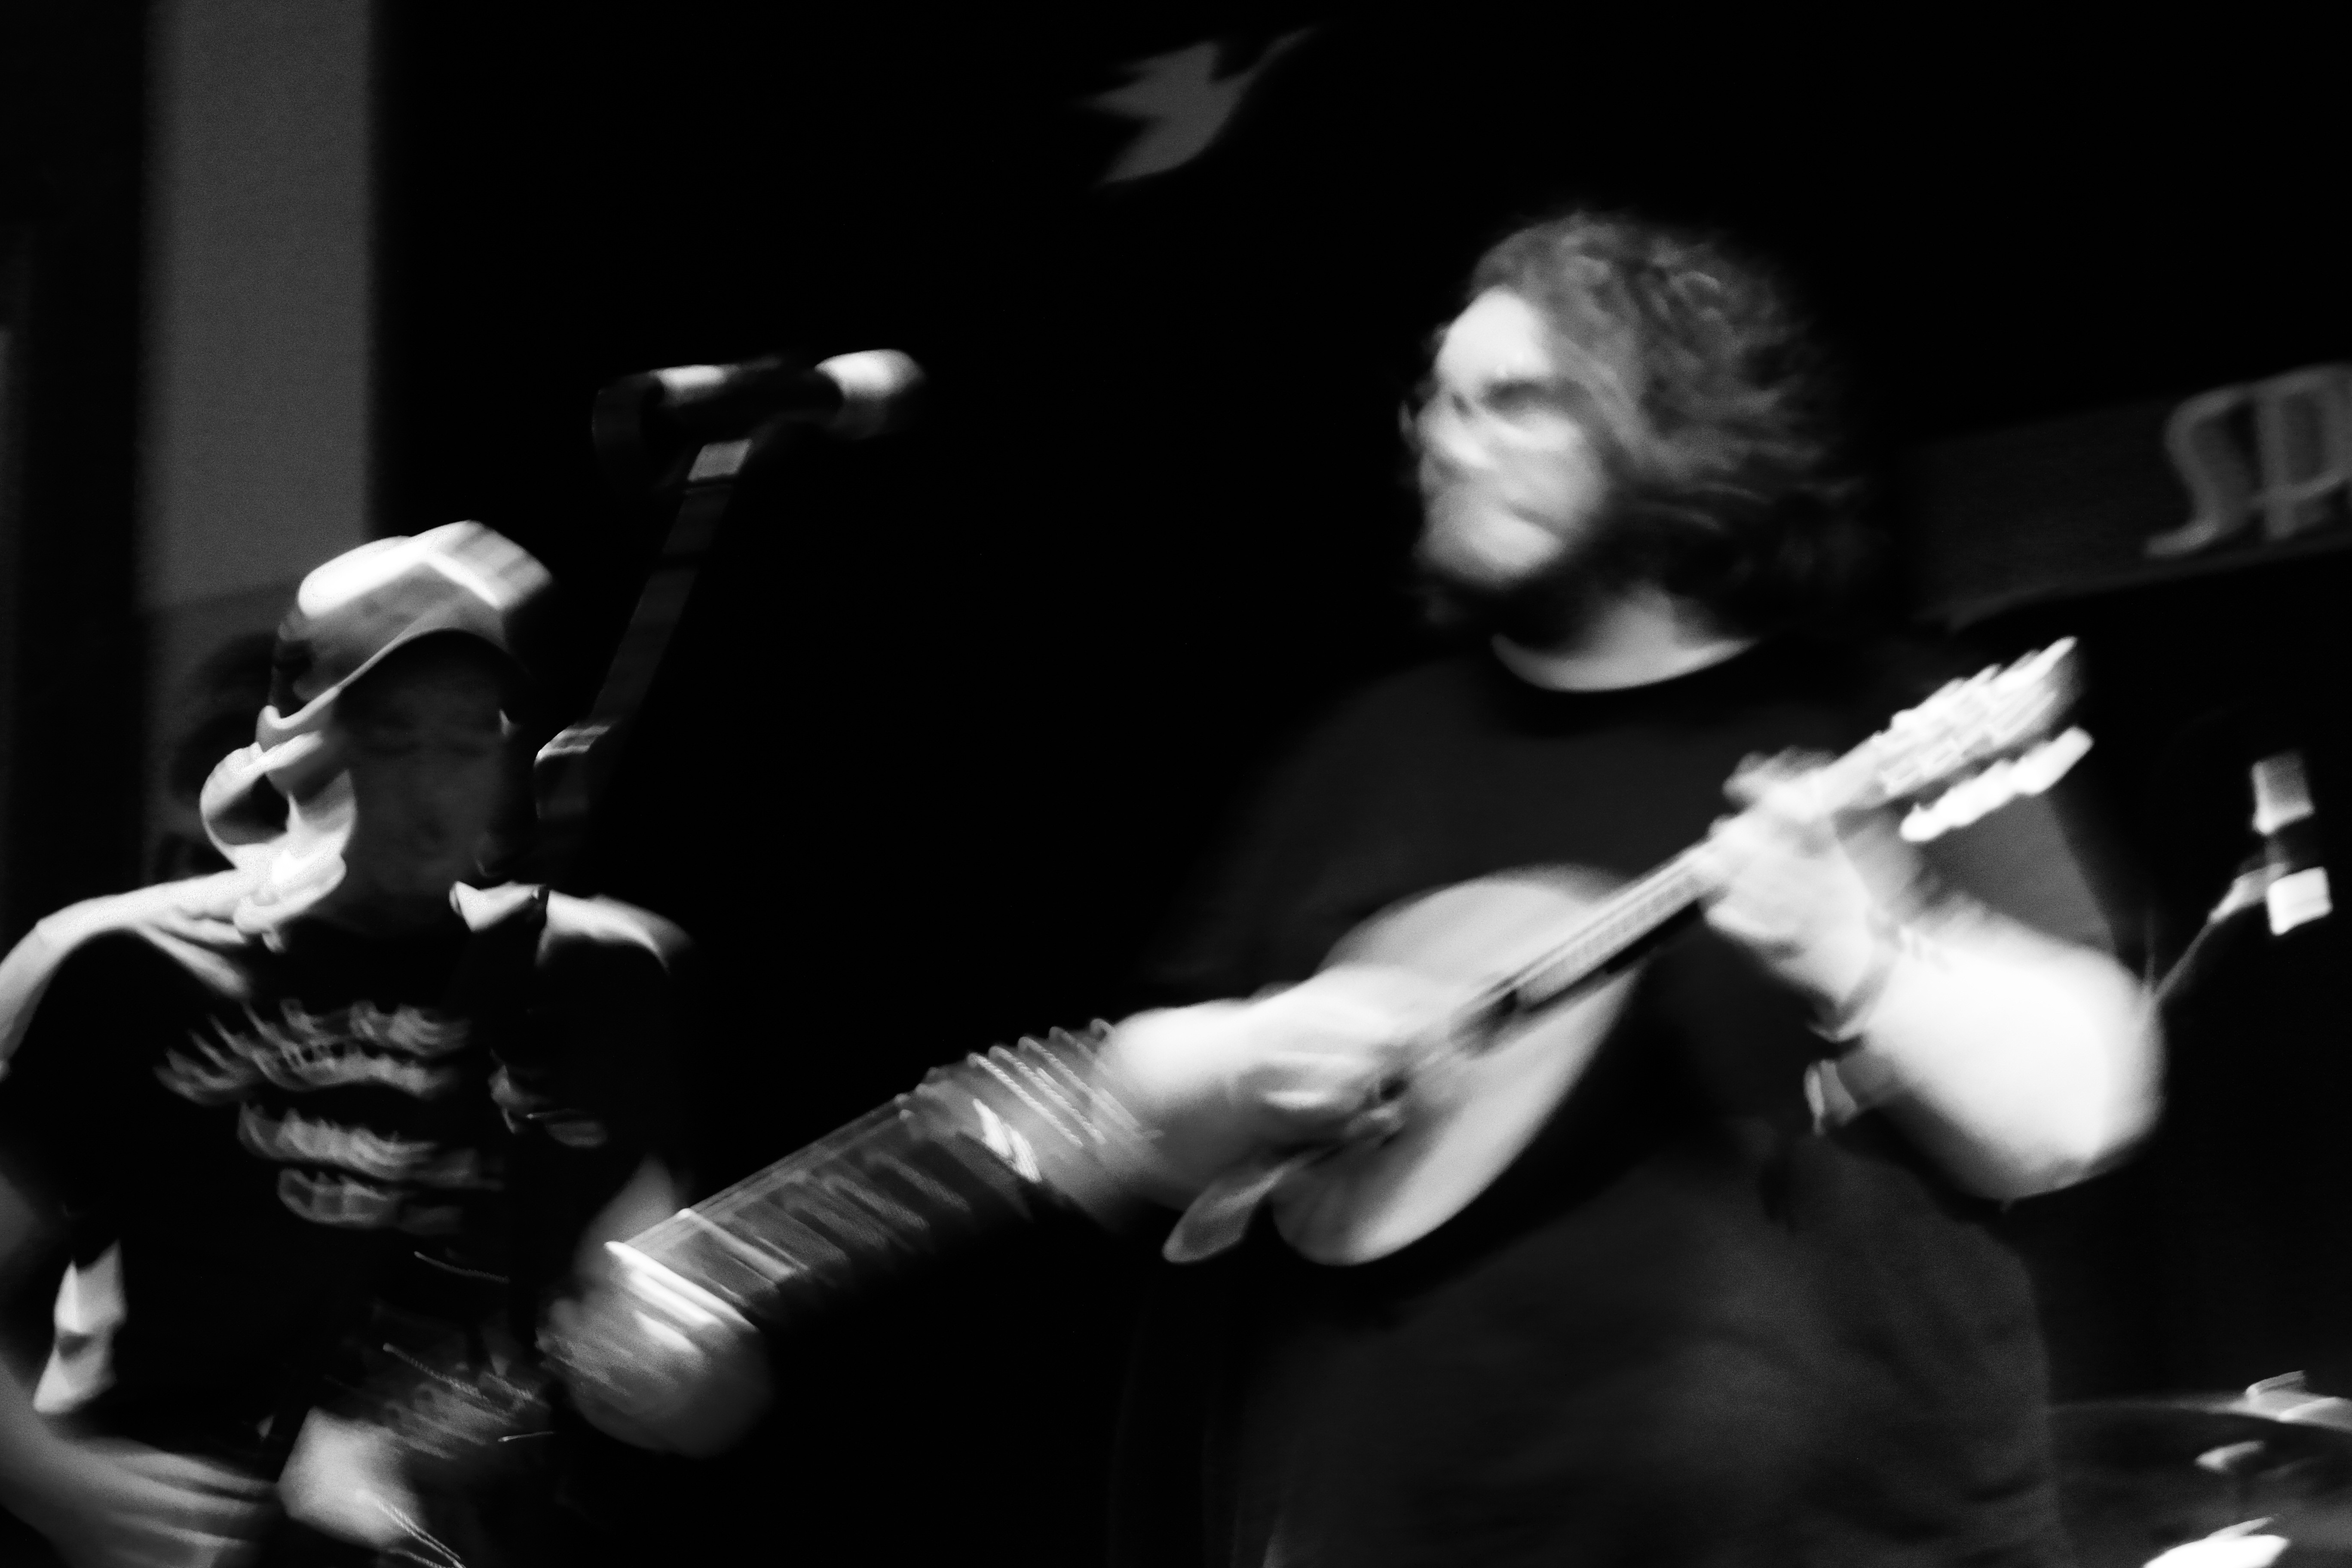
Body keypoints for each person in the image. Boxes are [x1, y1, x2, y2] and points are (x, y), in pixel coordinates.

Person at [551, 211, 2159, 1566]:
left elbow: (2074, 1108)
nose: (1442, 439)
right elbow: (1132, 1108)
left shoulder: (1874, 724)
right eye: (1435, 401)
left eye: (1512, 400)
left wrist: (1866, 954)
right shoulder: (1364, 758)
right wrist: (1258, 1056)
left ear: (1675, 428)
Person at [0, 523, 728, 1567]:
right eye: (394, 734)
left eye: (468, 738)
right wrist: (55, 1483)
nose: (433, 786)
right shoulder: (116, 966)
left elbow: (651, 1304)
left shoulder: (603, 976)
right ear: (294, 742)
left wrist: (685, 1373)